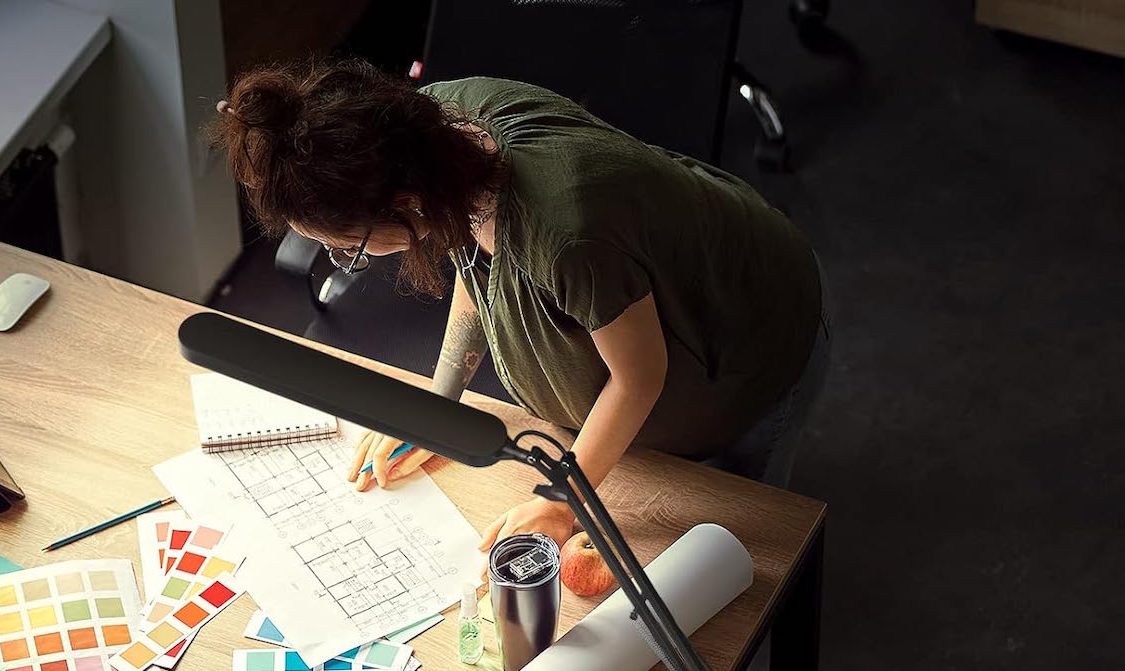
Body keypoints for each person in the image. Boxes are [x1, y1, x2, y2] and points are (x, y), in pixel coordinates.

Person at [210, 59, 830, 556]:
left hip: (746, 340)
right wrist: (435, 406)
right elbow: (477, 269)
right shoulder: (433, 143)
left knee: (743, 555)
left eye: (351, 247)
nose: (359, 261)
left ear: (405, 202)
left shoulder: (564, 230)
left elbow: (641, 376)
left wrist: (562, 502)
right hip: (632, 310)